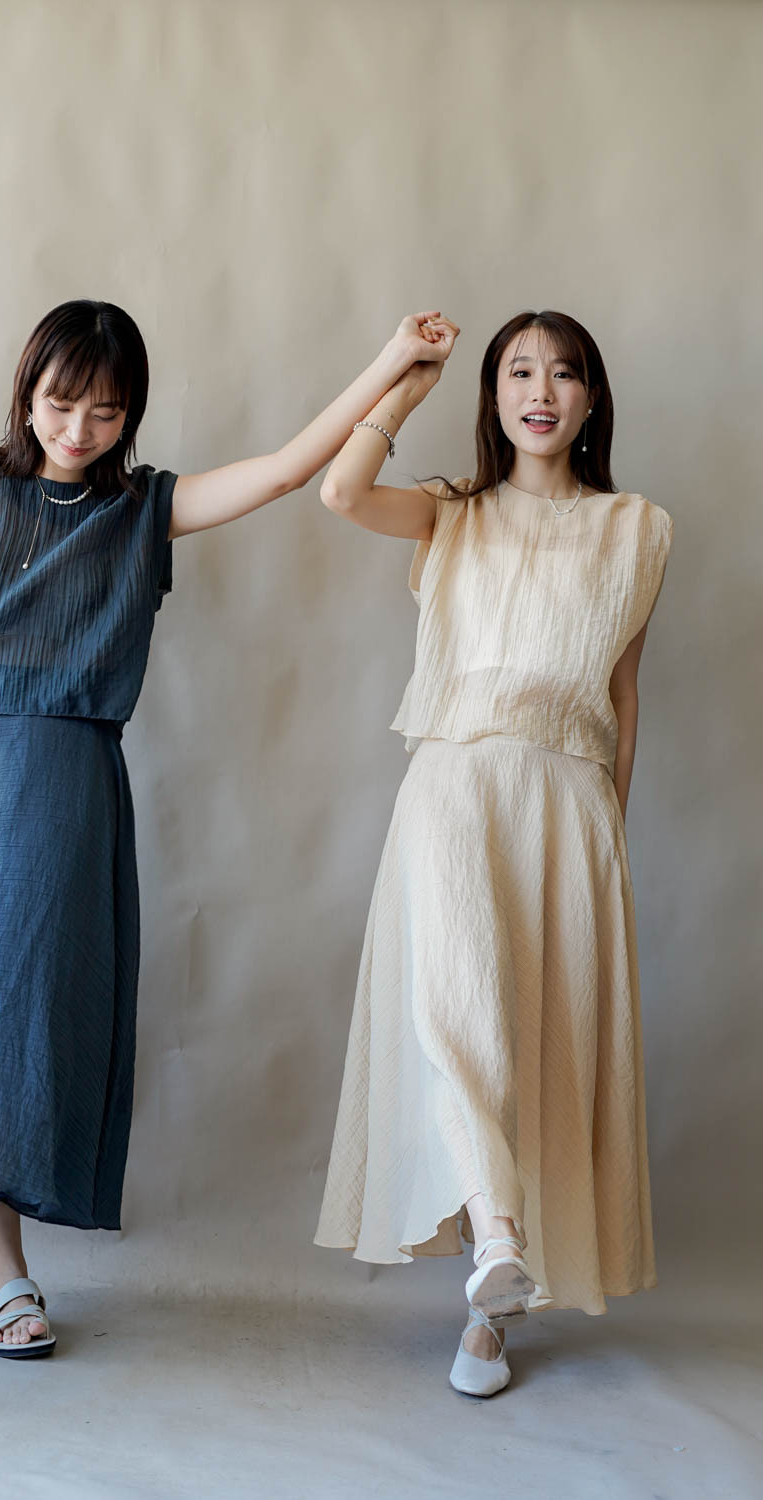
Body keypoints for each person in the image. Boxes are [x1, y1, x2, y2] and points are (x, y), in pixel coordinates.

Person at [0, 298, 444, 1359]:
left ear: (132, 416)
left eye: (106, 412)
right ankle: (10, 1279)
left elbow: (280, 472)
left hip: (58, 784)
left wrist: (395, 368)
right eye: (59, 403)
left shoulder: (141, 510)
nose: (78, 430)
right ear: (25, 393)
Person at [314, 309, 673, 1397]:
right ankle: (500, 1233)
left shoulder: (637, 529)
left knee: (541, 1040)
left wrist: (614, 825)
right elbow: (339, 493)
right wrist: (403, 384)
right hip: (454, 784)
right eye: (518, 372)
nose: (540, 391)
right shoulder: (450, 512)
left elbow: (622, 691)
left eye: (563, 373)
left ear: (592, 398)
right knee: (455, 1010)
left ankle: (490, 1314)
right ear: (494, 395)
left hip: (569, 801)